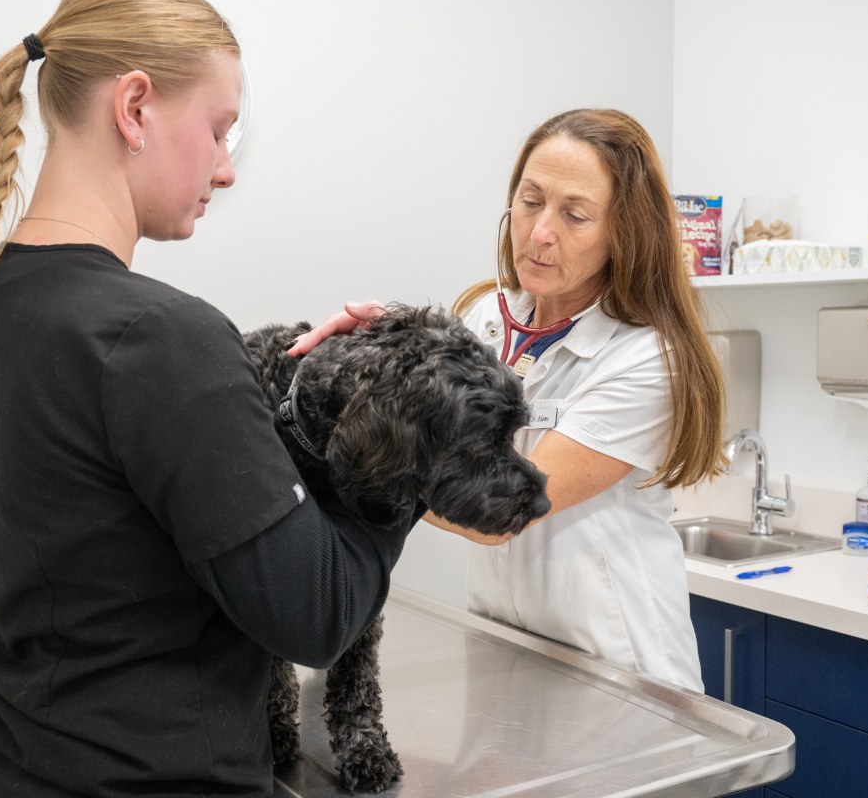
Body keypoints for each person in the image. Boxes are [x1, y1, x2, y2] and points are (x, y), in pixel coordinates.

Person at [0, 0, 421, 796]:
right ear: (135, 108)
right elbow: (316, 619)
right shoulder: (162, 340)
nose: (226, 167)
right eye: (220, 129)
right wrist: (405, 428)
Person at [294, 108, 725, 691]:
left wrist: (351, 458)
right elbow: (423, 421)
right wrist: (387, 339)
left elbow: (500, 513)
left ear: (625, 234)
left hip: (619, 666)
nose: (541, 231)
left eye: (575, 215)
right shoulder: (485, 319)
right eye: (530, 200)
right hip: (506, 650)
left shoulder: (648, 360)